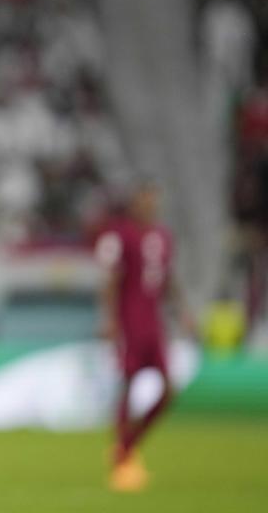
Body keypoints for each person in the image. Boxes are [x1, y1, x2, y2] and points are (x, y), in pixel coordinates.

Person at [94, 181, 194, 492]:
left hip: (154, 324)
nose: (149, 205)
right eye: (144, 200)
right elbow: (112, 279)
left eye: (152, 200)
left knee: (168, 390)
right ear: (135, 202)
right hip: (130, 322)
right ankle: (123, 461)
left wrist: (183, 313)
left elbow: (167, 279)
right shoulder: (121, 234)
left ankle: (126, 446)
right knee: (128, 385)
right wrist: (109, 319)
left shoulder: (163, 236)